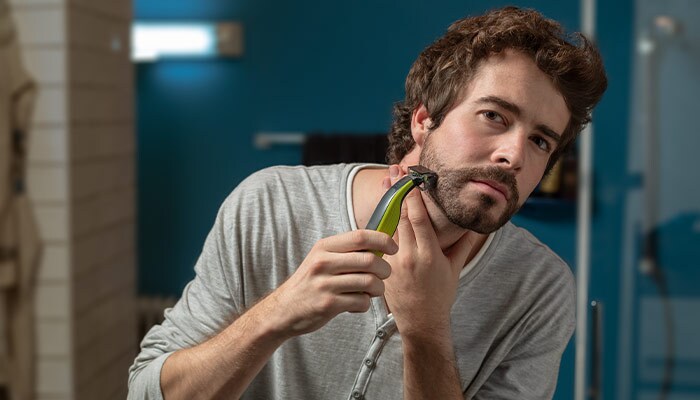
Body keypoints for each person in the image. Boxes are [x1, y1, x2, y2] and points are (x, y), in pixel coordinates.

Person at [128, 6, 607, 399]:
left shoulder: (539, 288)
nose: (515, 155)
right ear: (424, 120)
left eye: (542, 142)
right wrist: (275, 316)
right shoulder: (272, 204)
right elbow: (145, 393)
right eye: (494, 116)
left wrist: (425, 329)